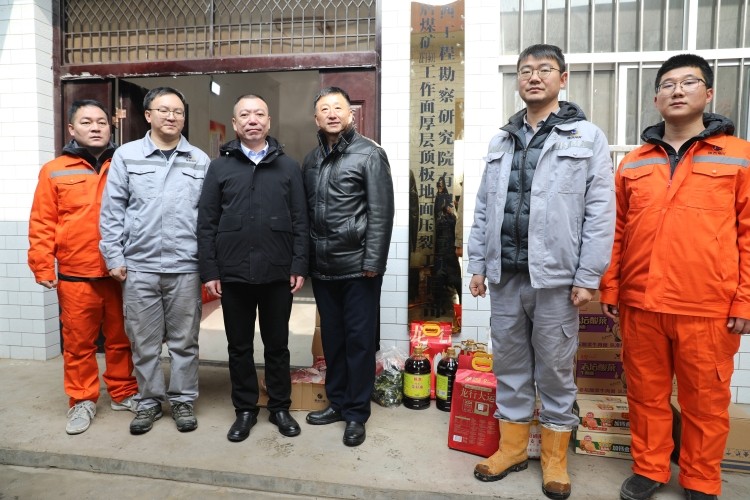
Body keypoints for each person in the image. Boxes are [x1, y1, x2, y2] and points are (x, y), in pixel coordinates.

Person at [467, 44, 615, 499]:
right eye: (525, 70)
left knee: (554, 371)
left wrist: (588, 275)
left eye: (544, 69)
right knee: (510, 367)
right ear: (517, 80)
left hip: (556, 280)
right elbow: (484, 207)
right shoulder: (500, 140)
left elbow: (601, 212)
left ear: (562, 78)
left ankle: (554, 460)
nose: (534, 77)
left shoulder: (587, 137)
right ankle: (512, 450)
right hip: (506, 277)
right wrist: (477, 264)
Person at [599, 54, 749, 500]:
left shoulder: (739, 156)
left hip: (707, 306)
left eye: (689, 82)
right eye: (667, 84)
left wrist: (745, 298)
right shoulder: (633, 162)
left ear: (709, 93)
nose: (677, 90)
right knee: (646, 395)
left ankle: (701, 479)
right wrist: (612, 286)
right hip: (642, 303)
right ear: (656, 99)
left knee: (706, 401)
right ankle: (650, 468)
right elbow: (617, 231)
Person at [197, 94, 308, 442]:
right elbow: (206, 223)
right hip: (233, 273)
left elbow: (301, 220)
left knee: (277, 344)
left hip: (277, 272)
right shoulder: (220, 167)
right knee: (239, 346)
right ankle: (245, 409)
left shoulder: (288, 167)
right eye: (244, 115)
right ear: (235, 123)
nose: (252, 120)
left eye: (259, 114)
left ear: (269, 121)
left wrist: (299, 263)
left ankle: (279, 407)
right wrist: (210, 271)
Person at [99, 87, 210, 435]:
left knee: (184, 342)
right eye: (164, 110)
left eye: (178, 111)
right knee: (144, 342)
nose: (171, 116)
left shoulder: (199, 159)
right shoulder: (127, 156)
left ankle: (182, 400)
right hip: (139, 266)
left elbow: (208, 217)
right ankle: (148, 401)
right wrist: (113, 255)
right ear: (148, 115)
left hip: (185, 266)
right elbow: (112, 210)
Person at [28, 99, 138, 435]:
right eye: (87, 122)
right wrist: (42, 265)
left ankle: (122, 391)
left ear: (111, 126)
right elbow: (42, 221)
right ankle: (82, 400)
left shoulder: (125, 163)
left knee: (122, 339)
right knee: (78, 344)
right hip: (76, 275)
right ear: (72, 129)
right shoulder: (54, 170)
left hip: (119, 272)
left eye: (101, 122)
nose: (95, 127)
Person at [301, 86, 394, 447]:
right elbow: (306, 214)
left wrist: (373, 261)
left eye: (338, 107)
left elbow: (381, 212)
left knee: (358, 342)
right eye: (324, 108)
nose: (332, 113)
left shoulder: (370, 154)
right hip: (324, 268)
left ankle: (356, 413)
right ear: (316, 118)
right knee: (334, 341)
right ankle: (337, 403)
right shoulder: (311, 160)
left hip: (358, 268)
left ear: (351, 114)